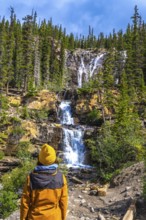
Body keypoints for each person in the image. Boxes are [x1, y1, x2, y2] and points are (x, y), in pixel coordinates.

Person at [20, 144, 68, 220]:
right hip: (55, 217)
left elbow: (25, 203)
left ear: (39, 158)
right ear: (54, 159)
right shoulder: (61, 177)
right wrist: (63, 218)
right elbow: (63, 202)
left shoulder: (31, 178)